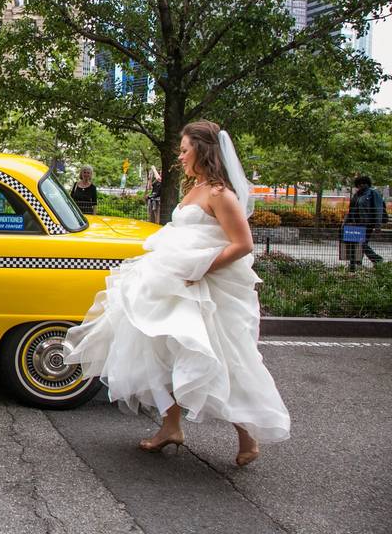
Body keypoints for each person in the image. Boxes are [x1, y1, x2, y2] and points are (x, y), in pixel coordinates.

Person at [63, 120, 289, 467]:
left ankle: (247, 435)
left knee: (218, 360)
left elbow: (243, 244)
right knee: (159, 351)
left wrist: (199, 269)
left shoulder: (220, 194)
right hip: (173, 285)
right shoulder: (195, 187)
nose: (180, 156)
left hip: (207, 290)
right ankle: (171, 426)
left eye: (185, 150)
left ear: (203, 150)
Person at [344, 175, 385, 270]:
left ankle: (377, 259)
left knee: (360, 242)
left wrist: (378, 226)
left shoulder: (373, 193)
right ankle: (355, 265)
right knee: (355, 243)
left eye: (363, 184)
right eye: (359, 184)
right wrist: (347, 221)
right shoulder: (357, 195)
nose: (360, 186)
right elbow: (351, 209)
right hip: (355, 223)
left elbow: (378, 210)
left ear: (367, 184)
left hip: (367, 224)